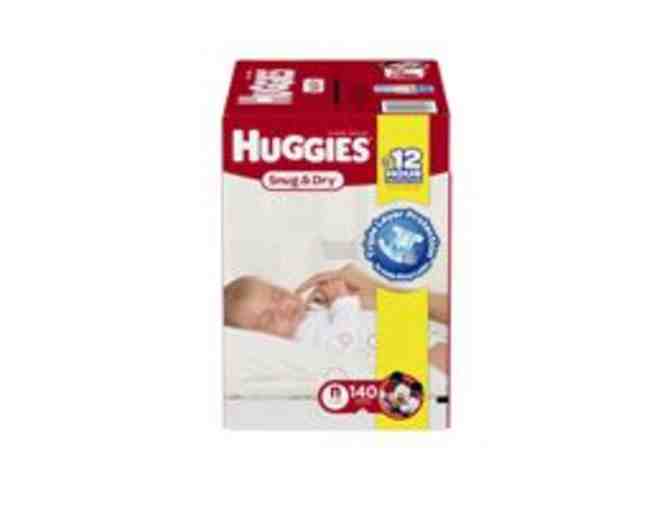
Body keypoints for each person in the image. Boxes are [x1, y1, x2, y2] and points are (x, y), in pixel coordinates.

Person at [223, 269, 449, 373]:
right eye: (269, 319)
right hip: (409, 355)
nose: (283, 309)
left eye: (278, 295)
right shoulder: (302, 340)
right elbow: (341, 344)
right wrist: (342, 302)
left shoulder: (310, 316)